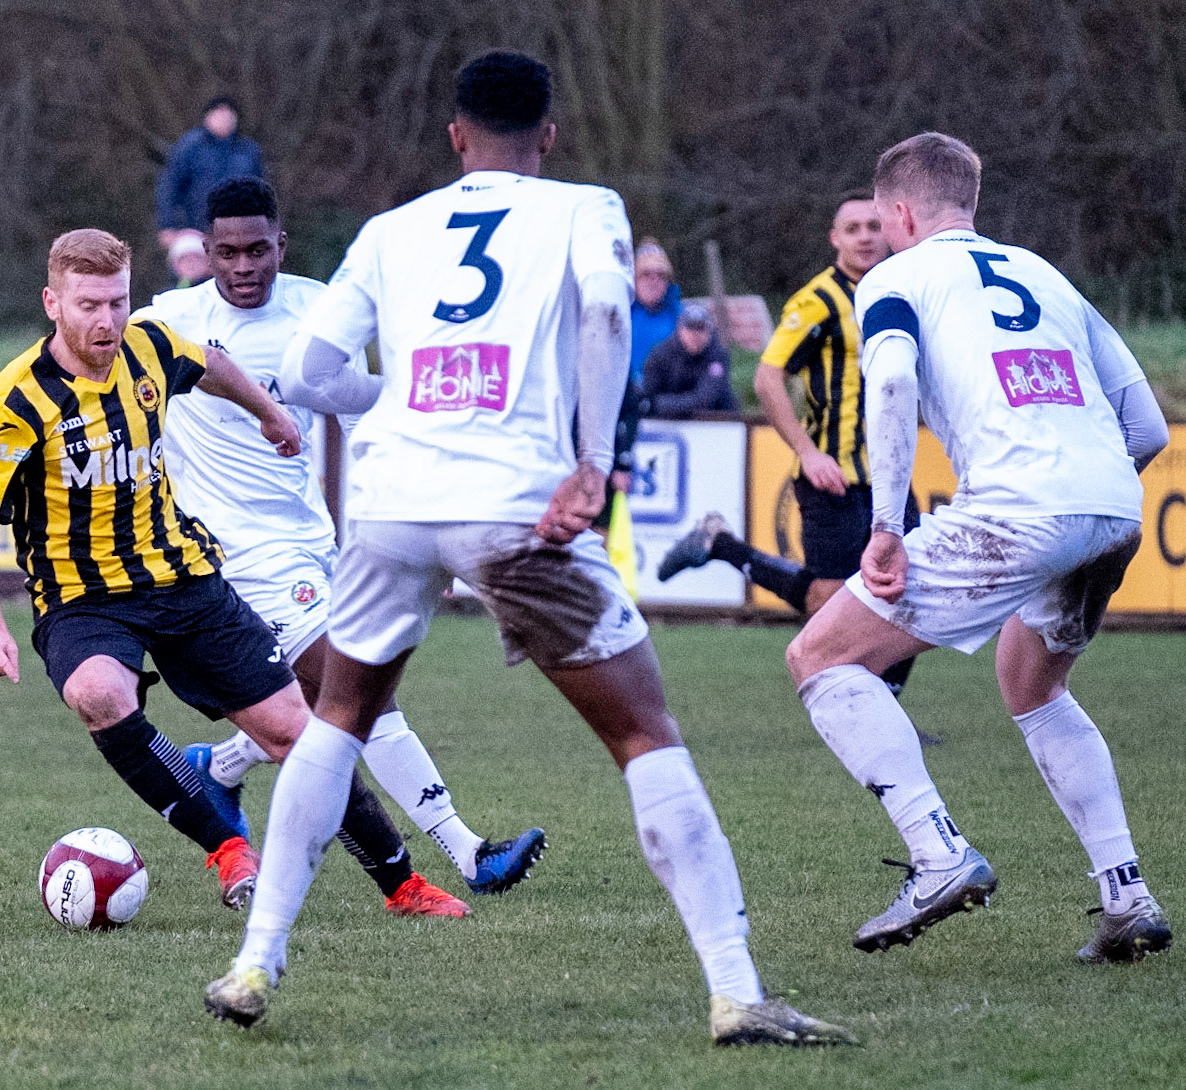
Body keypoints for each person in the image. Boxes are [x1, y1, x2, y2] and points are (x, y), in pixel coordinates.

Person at [202, 50, 854, 1048]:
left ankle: (256, 960)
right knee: (642, 730)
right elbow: (602, 310)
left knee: (336, 719)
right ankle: (736, 991)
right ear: (547, 135)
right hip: (510, 503)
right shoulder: (584, 207)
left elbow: (304, 368)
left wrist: (390, 407)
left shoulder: (390, 228)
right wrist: (591, 464)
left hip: (390, 503)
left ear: (454, 137)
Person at [785, 132, 1173, 964]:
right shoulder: (1046, 274)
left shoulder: (895, 276)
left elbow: (888, 382)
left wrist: (885, 523)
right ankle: (1126, 894)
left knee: (821, 658)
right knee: (1031, 681)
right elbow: (1149, 426)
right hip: (1113, 504)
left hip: (1016, 509)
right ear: (970, 201)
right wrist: (1084, 499)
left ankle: (938, 855)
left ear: (898, 212)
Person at [131, 175, 546, 918]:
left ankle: (220, 768)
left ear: (281, 245)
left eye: (258, 248)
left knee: (332, 702)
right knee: (354, 689)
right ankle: (466, 850)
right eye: (226, 251)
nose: (243, 265)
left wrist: (410, 531)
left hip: (317, 544)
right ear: (204, 252)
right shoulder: (168, 322)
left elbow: (368, 425)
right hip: (235, 559)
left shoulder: (317, 311)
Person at [0, 228, 310, 911]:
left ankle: (404, 881)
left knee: (298, 730)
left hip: (179, 576)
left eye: (116, 301)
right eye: (89, 304)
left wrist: (271, 412)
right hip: (82, 598)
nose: (107, 319)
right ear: (53, 302)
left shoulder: (149, 344)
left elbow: (210, 362)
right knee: (99, 693)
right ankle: (230, 850)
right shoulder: (13, 401)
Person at [655, 192, 922, 700]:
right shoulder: (817, 301)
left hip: (891, 475)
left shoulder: (904, 291)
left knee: (908, 587)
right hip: (833, 476)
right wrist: (807, 452)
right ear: (835, 239)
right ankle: (722, 546)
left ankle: (886, 706)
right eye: (853, 228)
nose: (865, 236)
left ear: (889, 231)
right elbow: (767, 377)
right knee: (827, 598)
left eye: (873, 225)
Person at [156, 96, 264, 250]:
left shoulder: (248, 151)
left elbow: (261, 193)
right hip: (195, 232)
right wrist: (167, 225)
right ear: (208, 116)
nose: (224, 118)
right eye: (219, 113)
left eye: (228, 114)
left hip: (240, 233)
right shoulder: (189, 147)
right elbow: (169, 186)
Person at [640, 303, 740, 418]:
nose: (695, 334)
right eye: (690, 327)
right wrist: (655, 405)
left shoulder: (718, 356)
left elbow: (704, 399)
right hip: (665, 422)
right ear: (679, 330)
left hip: (712, 422)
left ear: (709, 331)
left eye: (701, 328)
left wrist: (661, 404)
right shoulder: (659, 355)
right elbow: (648, 399)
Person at [630, 239, 681, 383]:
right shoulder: (619, 319)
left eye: (661, 275)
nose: (654, 281)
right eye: (646, 274)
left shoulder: (681, 319)